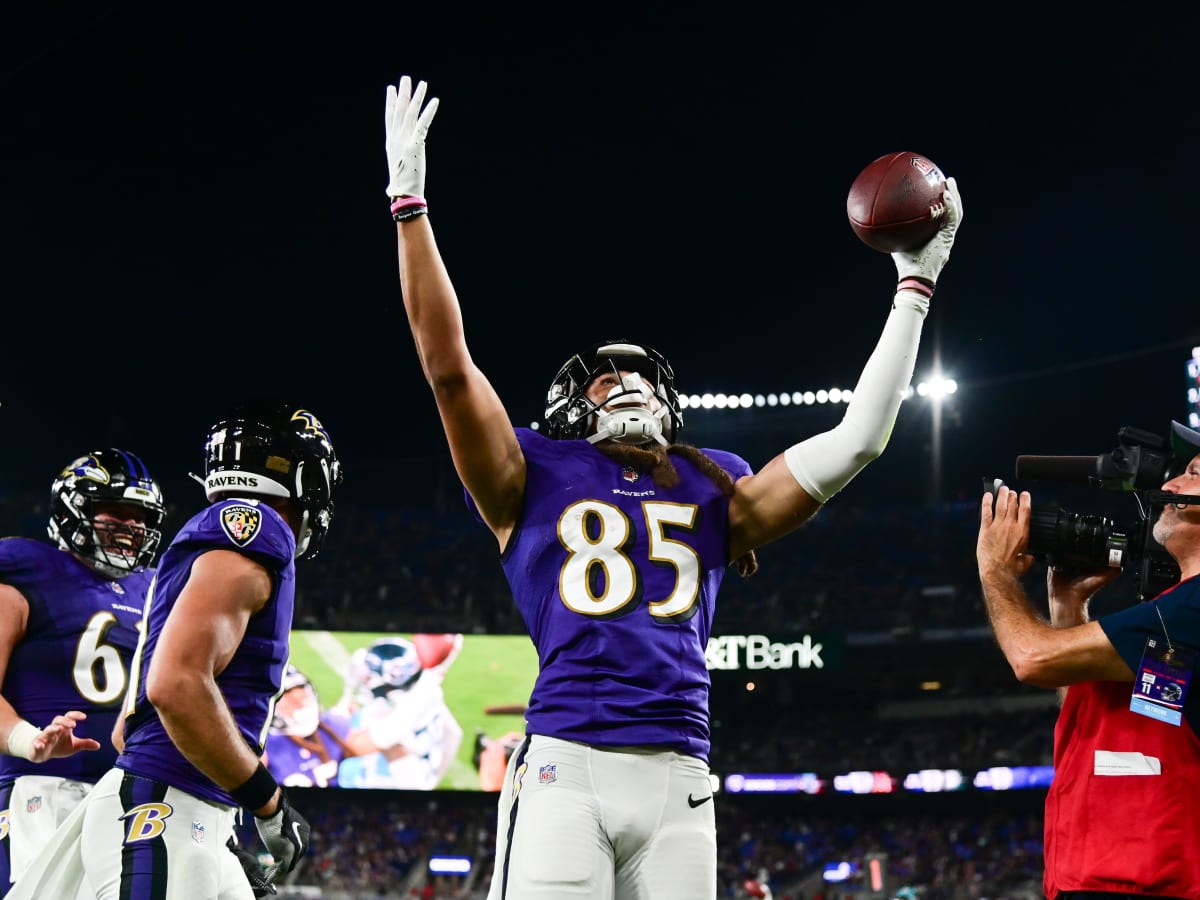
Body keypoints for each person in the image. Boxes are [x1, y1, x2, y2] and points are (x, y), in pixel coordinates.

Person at [383, 74, 963, 899]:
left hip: (682, 777)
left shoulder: (712, 485)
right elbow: (447, 368)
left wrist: (914, 286)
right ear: (563, 408)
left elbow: (860, 442)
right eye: (605, 379)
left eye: (641, 378)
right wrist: (411, 210)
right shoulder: (526, 470)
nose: (628, 386)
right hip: (566, 767)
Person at [7, 401, 343, 900]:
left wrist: (220, 825)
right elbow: (176, 686)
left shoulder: (156, 581)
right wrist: (266, 801)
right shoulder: (252, 525)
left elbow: (129, 727)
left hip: (178, 806)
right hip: (144, 802)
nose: (128, 527)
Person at [976, 421, 1200, 899]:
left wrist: (995, 570)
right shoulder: (1178, 616)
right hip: (1114, 877)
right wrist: (1068, 609)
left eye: (1194, 474)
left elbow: (1030, 659)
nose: (1170, 485)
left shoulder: (1192, 611)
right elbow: (1116, 714)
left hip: (1146, 882)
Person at [0, 448, 165, 895]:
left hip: (129, 796)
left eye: (141, 517)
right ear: (75, 507)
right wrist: (29, 741)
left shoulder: (153, 587)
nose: (132, 526)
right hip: (40, 789)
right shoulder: (27, 567)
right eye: (118, 511)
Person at [336, 636, 464, 790]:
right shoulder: (432, 695)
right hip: (424, 772)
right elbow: (454, 734)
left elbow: (379, 738)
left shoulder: (382, 714)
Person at [263, 664, 355, 789]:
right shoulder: (266, 745)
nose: (301, 702)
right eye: (289, 698)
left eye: (302, 693)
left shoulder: (333, 725)